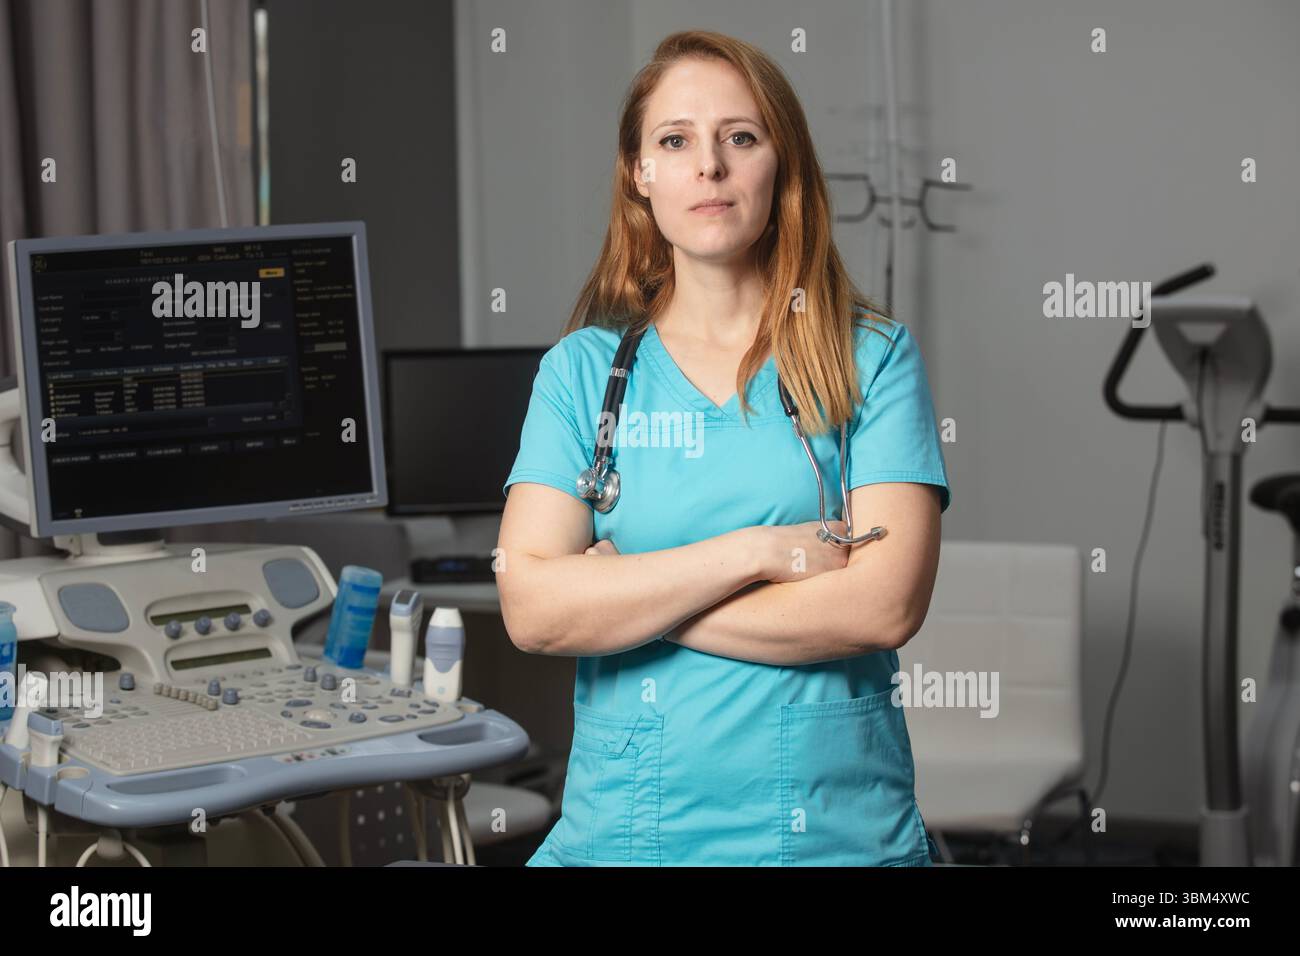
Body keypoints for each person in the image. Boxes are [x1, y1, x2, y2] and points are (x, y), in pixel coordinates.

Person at [497, 29, 951, 866]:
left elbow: (882, 607)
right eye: (675, 141)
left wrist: (624, 602)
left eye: (740, 138)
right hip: (623, 840)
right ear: (641, 173)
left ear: (781, 162)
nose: (708, 166)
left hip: (831, 839)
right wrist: (758, 552)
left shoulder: (870, 359)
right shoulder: (584, 373)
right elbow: (532, 610)